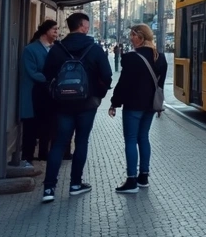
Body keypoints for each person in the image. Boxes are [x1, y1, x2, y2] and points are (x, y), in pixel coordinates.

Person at [41, 12, 113, 203]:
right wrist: (98, 93)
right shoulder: (95, 49)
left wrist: (55, 93)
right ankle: (75, 184)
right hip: (87, 104)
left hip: (62, 104)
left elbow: (47, 74)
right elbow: (107, 75)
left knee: (58, 143)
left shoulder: (57, 49)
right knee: (81, 142)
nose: (88, 28)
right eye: (87, 25)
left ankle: (49, 189)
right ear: (83, 26)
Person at [108, 23, 168, 193]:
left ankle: (131, 180)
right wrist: (158, 104)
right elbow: (160, 85)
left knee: (131, 140)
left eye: (133, 35)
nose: (130, 38)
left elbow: (123, 84)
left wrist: (114, 102)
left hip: (133, 105)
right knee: (143, 138)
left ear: (140, 37)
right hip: (150, 105)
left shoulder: (130, 58)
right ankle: (144, 177)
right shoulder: (160, 58)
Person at [20, 20, 58, 162]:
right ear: (46, 31)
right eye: (54, 29)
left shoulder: (53, 48)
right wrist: (52, 79)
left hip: (47, 94)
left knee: (46, 125)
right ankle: (27, 157)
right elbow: (32, 72)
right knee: (31, 126)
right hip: (33, 93)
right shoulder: (30, 49)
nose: (57, 32)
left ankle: (43, 153)